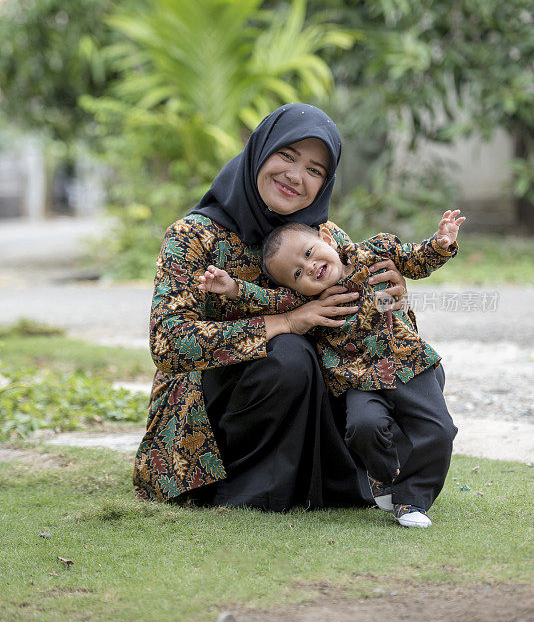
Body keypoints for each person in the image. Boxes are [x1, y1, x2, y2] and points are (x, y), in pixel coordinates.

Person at [133, 103, 407, 512]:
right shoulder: (194, 236)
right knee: (290, 354)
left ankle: (323, 483)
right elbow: (169, 344)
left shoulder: (326, 238)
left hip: (306, 406)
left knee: (331, 360)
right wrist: (285, 322)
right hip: (206, 417)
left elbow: (374, 320)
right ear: (261, 151)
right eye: (288, 155)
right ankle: (242, 492)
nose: (296, 177)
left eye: (315, 170)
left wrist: (393, 297)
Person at [198, 210, 464, 527]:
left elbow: (412, 258)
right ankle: (384, 476)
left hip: (406, 362)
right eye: (297, 273)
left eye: (309, 253)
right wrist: (231, 288)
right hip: (358, 379)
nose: (309, 266)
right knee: (363, 427)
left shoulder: (372, 253)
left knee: (439, 429)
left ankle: (411, 501)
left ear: (326, 239)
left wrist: (441, 243)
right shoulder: (303, 301)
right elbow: (267, 299)